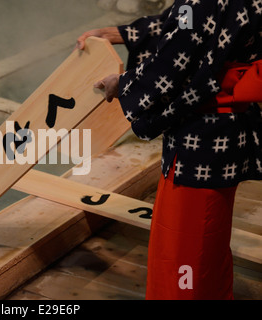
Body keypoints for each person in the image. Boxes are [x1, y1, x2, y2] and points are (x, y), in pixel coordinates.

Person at [76, 0, 261, 300]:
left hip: (202, 133)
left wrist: (124, 83)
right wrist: (123, 33)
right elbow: (192, 25)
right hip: (227, 131)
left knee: (186, 246)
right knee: (209, 240)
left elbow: (179, 58)